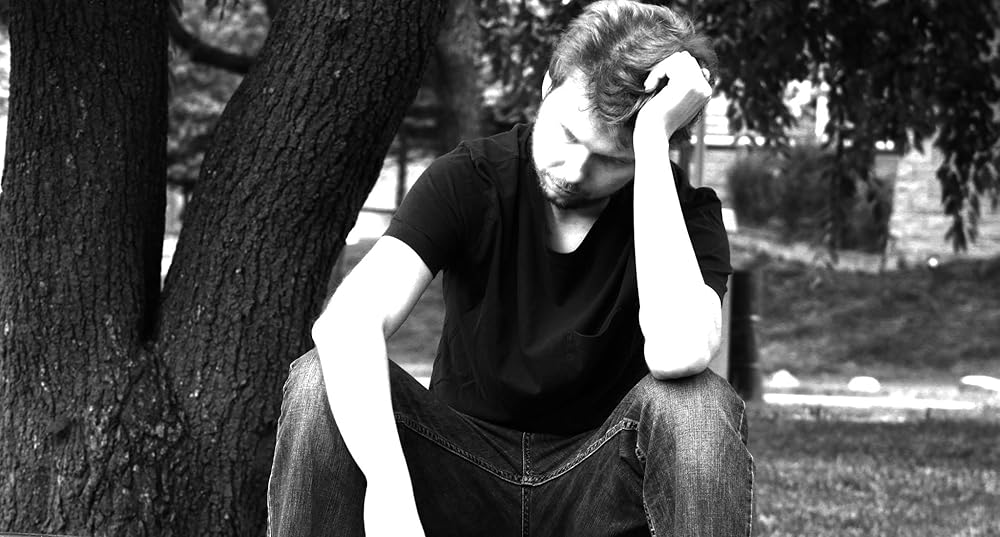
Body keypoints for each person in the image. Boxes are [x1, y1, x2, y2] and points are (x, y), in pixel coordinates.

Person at [267, 1, 753, 535]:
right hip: (459, 473)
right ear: (547, 86)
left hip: (596, 489)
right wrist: (389, 490)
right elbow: (347, 323)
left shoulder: (684, 214)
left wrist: (653, 139)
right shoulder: (471, 177)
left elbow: (680, 353)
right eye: (569, 134)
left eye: (614, 160)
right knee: (319, 381)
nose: (575, 171)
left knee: (697, 406)